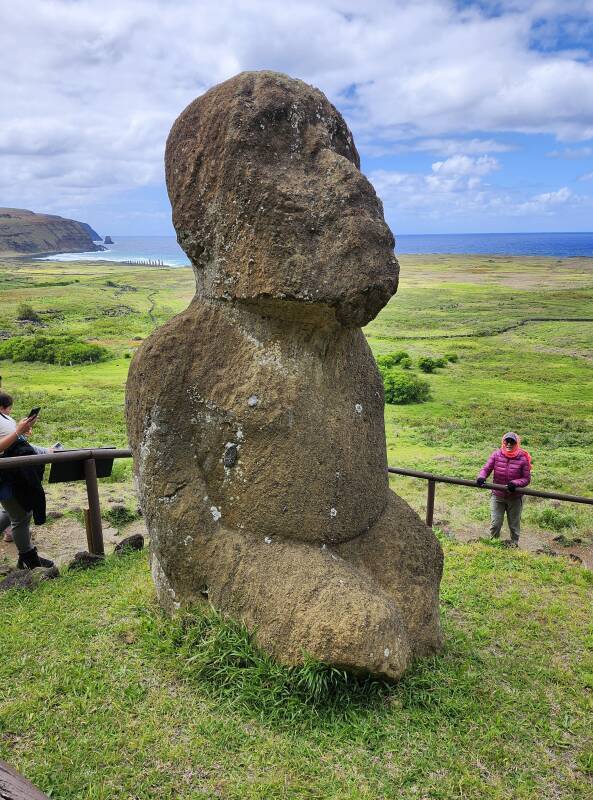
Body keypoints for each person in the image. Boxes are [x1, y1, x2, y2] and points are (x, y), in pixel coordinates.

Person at [0, 391, 54, 569]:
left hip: (13, 473)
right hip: (5, 477)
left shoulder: (4, 418)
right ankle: (29, 559)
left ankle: (27, 557)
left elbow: (18, 442)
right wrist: (17, 432)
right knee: (22, 516)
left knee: (11, 512)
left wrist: (42, 449)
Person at [476, 431, 532, 548]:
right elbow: (486, 468)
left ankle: (514, 545)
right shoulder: (496, 455)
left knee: (514, 525)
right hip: (498, 496)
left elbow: (526, 479)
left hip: (515, 498)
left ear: (517, 443)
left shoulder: (523, 458)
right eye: (507, 441)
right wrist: (481, 477)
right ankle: (493, 545)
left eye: (512, 442)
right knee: (496, 523)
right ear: (503, 442)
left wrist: (515, 483)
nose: (509, 444)